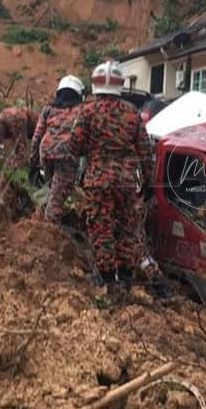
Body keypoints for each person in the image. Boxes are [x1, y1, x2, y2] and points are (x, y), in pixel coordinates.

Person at [70, 61, 154, 302]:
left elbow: (74, 147)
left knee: (102, 230)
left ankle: (108, 283)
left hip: (98, 183)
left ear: (95, 84)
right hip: (127, 183)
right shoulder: (132, 112)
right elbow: (145, 152)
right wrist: (147, 183)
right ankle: (126, 281)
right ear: (120, 84)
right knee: (126, 230)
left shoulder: (87, 111)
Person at [28, 75, 85, 222]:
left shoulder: (49, 108)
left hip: (46, 152)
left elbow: (37, 136)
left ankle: (39, 217)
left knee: (52, 189)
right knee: (57, 197)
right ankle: (50, 229)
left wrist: (33, 164)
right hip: (66, 154)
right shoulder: (82, 110)